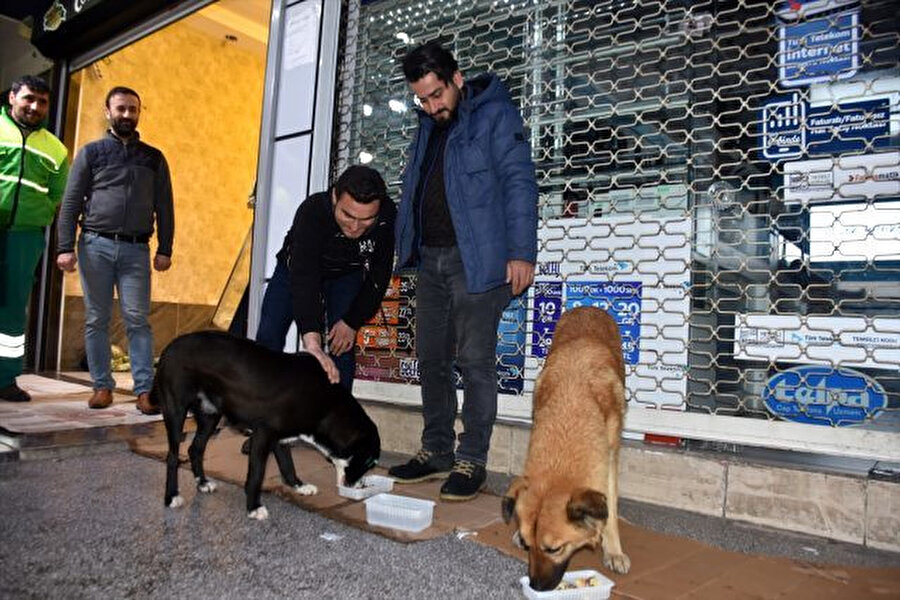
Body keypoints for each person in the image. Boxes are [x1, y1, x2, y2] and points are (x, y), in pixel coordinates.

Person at [387, 42, 538, 501]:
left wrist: (522, 252)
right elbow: (415, 190)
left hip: (475, 260)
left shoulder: (495, 115)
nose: (431, 106)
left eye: (436, 94)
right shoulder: (428, 127)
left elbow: (518, 181)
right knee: (430, 359)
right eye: (422, 99)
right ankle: (436, 452)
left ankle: (472, 458)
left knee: (474, 362)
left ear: (457, 77)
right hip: (429, 258)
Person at [56, 86, 174, 414]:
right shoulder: (91, 153)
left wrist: (166, 247)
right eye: (120, 108)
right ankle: (101, 386)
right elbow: (70, 202)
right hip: (95, 245)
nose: (126, 114)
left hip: (136, 250)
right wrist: (65, 247)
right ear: (108, 111)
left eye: (132, 109)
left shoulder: (153, 157)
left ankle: (144, 390)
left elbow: (165, 204)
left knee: (137, 318)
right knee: (97, 318)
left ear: (139, 113)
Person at [255, 165, 395, 391]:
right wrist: (313, 344)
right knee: (268, 336)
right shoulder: (313, 211)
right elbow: (304, 279)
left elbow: (379, 275)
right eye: (347, 215)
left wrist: (352, 321)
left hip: (346, 274)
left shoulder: (387, 215)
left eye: (366, 220)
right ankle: (259, 407)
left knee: (342, 346)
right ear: (334, 198)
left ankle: (340, 419)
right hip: (296, 271)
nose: (355, 227)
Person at [0, 76, 69, 402]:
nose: (34, 107)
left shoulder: (56, 149)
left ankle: (5, 378)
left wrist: (38, 218)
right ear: (12, 97)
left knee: (13, 308)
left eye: (41, 102)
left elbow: (56, 195)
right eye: (28, 98)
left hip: (25, 237)